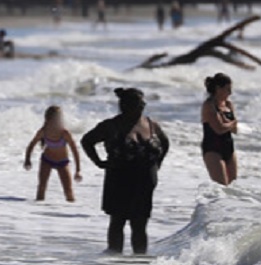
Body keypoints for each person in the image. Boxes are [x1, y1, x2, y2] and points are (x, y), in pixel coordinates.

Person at [81, 87, 171, 254]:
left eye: (143, 102)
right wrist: (98, 162)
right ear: (126, 105)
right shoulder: (111, 126)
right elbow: (87, 141)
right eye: (138, 102)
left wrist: (157, 164)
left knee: (140, 224)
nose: (143, 105)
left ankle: (139, 263)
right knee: (118, 221)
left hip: (144, 181)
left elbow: (165, 144)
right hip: (119, 179)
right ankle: (114, 262)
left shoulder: (151, 124)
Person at [23, 106, 83, 202]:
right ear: (48, 119)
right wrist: (27, 160)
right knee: (41, 187)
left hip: (62, 162)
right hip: (47, 160)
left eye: (59, 119)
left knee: (68, 191)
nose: (57, 122)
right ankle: (37, 211)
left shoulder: (64, 133)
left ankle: (72, 212)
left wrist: (78, 170)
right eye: (55, 119)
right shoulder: (43, 131)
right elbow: (31, 145)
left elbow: (75, 150)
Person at [200, 73, 238, 185]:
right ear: (218, 88)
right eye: (228, 89)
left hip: (229, 146)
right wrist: (232, 123)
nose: (230, 93)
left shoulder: (229, 105)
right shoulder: (209, 105)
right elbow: (219, 129)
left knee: (232, 186)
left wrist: (228, 123)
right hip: (212, 148)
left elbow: (235, 130)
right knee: (221, 185)